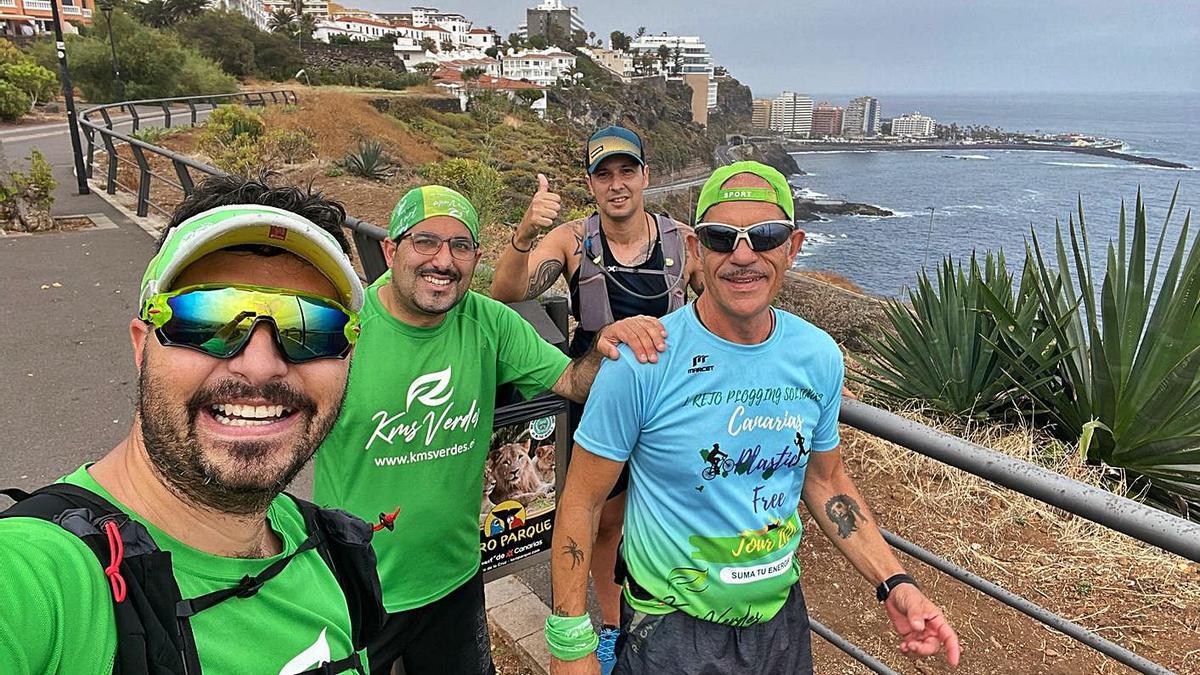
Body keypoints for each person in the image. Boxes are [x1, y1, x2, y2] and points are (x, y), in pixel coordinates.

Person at [547, 162, 962, 674]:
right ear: (697, 250)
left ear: (793, 247)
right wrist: (570, 643)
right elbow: (582, 502)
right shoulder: (642, 359)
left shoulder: (818, 356)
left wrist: (895, 583)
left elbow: (826, 480)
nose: (743, 256)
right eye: (723, 239)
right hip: (671, 633)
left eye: (765, 236)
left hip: (781, 626)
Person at [0, 174, 383, 674]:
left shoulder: (321, 542)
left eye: (313, 328)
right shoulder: (39, 577)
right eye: (206, 318)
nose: (260, 366)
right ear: (141, 346)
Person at [313, 185, 667, 675]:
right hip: (355, 587)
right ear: (392, 250)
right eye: (426, 242)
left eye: (461, 247)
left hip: (455, 582)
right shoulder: (343, 329)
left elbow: (572, 382)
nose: (444, 260)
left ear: (475, 258)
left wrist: (607, 346)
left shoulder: (489, 322)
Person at [491, 126, 704, 671]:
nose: (616, 185)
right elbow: (507, 293)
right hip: (595, 404)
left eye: (626, 171)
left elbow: (726, 301)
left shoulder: (683, 242)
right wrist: (524, 233)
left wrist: (793, 348)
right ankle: (611, 628)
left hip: (670, 407)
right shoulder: (571, 240)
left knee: (668, 518)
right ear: (590, 183)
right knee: (604, 522)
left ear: (645, 176)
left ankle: (664, 622)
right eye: (603, 174)